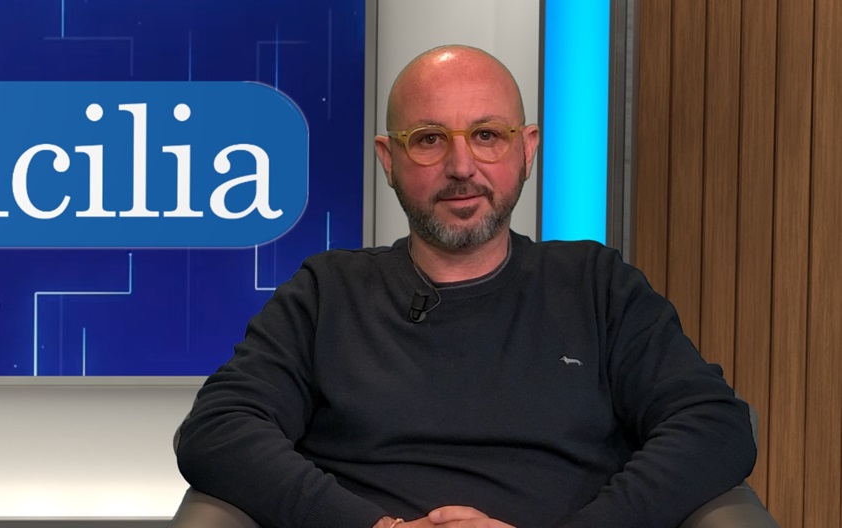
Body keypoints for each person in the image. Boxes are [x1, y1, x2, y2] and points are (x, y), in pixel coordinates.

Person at [176, 45, 756, 528]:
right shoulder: (327, 292)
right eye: (429, 139)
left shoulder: (597, 285)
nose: (461, 166)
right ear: (389, 159)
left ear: (527, 150)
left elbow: (713, 425)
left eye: (486, 135)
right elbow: (218, 429)